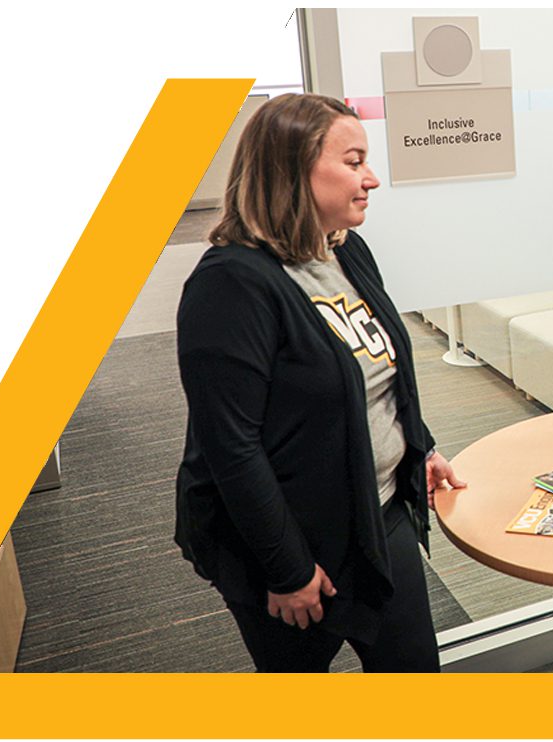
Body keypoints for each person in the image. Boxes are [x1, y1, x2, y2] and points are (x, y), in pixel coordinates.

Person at [173, 93, 465, 673]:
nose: (372, 178)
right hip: (290, 544)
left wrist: (418, 446)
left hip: (378, 515)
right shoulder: (232, 284)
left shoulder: (346, 252)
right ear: (291, 171)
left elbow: (381, 374)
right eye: (353, 161)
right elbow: (232, 447)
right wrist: (287, 570)